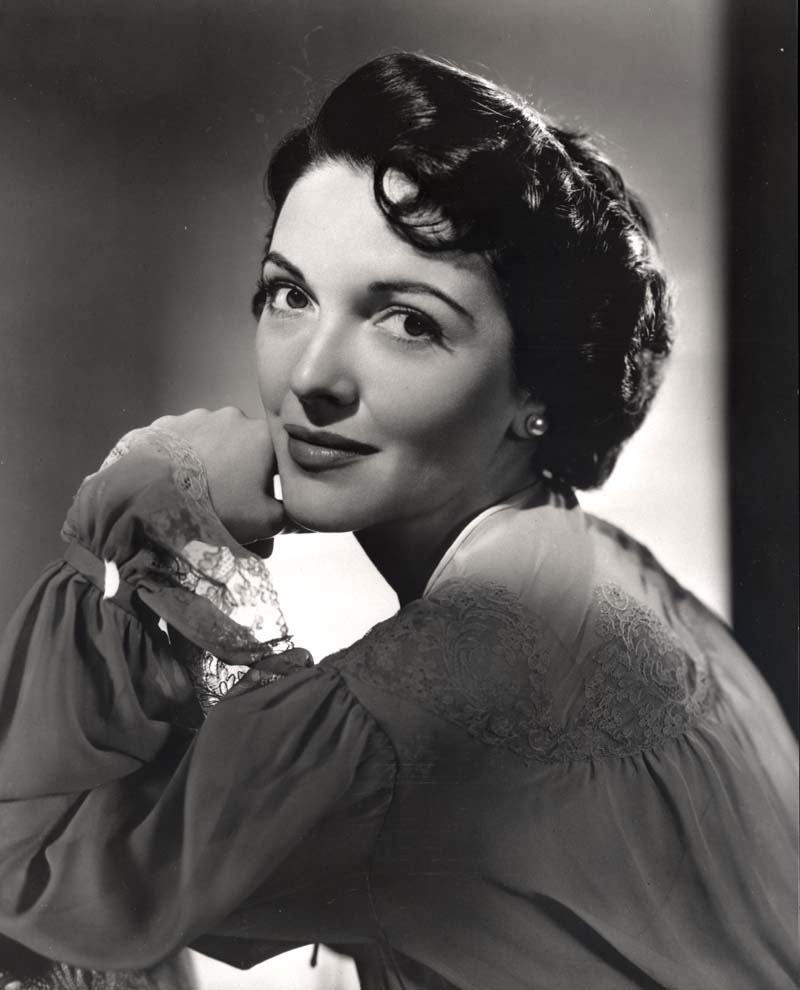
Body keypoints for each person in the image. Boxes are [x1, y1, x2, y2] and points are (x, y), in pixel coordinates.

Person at [0, 53, 797, 990]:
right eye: (291, 295)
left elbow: (32, 879)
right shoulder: (599, 574)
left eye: (409, 323)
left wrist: (151, 503)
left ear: (538, 389)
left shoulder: (458, 675)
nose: (311, 378)